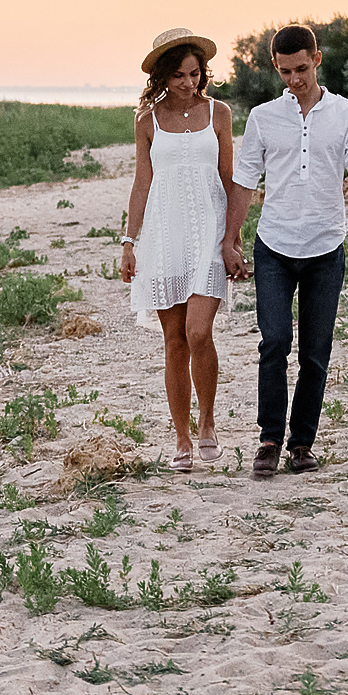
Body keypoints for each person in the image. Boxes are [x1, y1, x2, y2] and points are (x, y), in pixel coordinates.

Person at [225, 24, 348, 478]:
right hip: (274, 245)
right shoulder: (263, 117)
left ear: (318, 59)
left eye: (302, 69)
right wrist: (230, 240)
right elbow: (245, 180)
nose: (295, 79)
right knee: (274, 343)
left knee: (315, 351)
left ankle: (302, 444)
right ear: (276, 66)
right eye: (286, 71)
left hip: (326, 245)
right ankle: (269, 440)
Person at [120, 29, 245, 472]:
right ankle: (181, 436)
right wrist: (129, 242)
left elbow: (231, 179)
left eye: (194, 74)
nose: (188, 83)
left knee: (197, 332)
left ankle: (208, 420)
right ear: (161, 76)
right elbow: (142, 183)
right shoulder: (147, 120)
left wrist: (233, 239)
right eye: (178, 76)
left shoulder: (220, 113)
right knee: (173, 343)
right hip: (163, 235)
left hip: (209, 234)